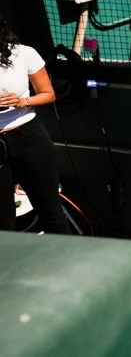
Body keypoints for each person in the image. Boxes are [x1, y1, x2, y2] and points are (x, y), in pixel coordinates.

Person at [0, 15, 68, 234]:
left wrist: (22, 101)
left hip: (28, 137)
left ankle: (70, 265)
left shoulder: (24, 53)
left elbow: (48, 94)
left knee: (51, 212)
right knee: (3, 223)